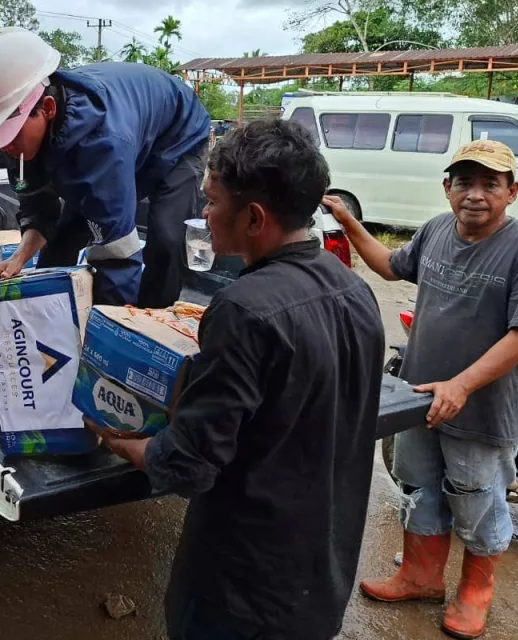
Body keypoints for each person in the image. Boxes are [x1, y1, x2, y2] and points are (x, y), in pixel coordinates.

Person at [97, 118, 386, 640]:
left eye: (210, 201)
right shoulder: (353, 290)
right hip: (320, 576)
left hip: (241, 592)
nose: (203, 215)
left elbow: (187, 464)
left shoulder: (244, 311)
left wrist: (121, 440)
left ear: (254, 217)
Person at [326, 140, 518, 640]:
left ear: (512, 192)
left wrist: (461, 385)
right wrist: (348, 222)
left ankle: (475, 593)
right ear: (447, 188)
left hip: (483, 407)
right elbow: (389, 266)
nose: (475, 194)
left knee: (477, 496)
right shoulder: (435, 230)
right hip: (420, 396)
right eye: (464, 182)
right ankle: (420, 576)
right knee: (418, 485)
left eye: (490, 184)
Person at [0, 26, 210, 308]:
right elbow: (40, 211)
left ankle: (151, 323)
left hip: (178, 137)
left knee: (166, 238)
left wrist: (107, 330)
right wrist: (19, 259)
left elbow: (117, 256)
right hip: (130, 134)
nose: (6, 146)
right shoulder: (15, 139)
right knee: (60, 243)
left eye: (11, 135)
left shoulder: (101, 144)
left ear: (48, 108)